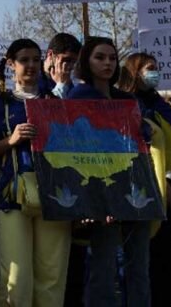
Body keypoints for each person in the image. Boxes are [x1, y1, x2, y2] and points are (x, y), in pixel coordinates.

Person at [0, 38, 71, 307]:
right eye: (23, 60)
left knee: (52, 276)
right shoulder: (0, 104)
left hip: (55, 196)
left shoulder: (55, 102)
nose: (30, 65)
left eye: (35, 59)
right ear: (11, 65)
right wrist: (11, 140)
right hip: (12, 197)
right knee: (15, 278)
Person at [67, 37, 151, 307]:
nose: (107, 63)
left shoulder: (127, 99)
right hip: (100, 190)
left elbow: (141, 138)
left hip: (135, 186)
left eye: (112, 58)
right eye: (99, 57)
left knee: (138, 266)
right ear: (86, 62)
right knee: (103, 267)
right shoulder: (78, 97)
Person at [118, 52, 171, 307]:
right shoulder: (125, 104)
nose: (155, 73)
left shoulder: (158, 104)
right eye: (150, 68)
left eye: (156, 68)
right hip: (137, 191)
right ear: (134, 72)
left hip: (166, 187)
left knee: (164, 258)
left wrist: (170, 180)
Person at [42, 33, 80, 99]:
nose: (71, 66)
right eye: (67, 60)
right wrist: (62, 85)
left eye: (74, 62)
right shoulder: (35, 80)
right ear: (50, 54)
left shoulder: (70, 82)